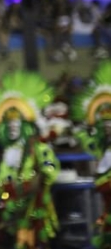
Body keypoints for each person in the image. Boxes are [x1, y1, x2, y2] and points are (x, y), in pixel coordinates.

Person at [0, 71, 60, 249]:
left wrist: (40, 178)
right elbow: (3, 177)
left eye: (17, 123)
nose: (13, 127)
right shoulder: (10, 153)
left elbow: (50, 169)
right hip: (14, 210)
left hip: (35, 209)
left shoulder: (39, 148)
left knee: (36, 241)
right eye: (8, 123)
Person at [72, 60, 111, 248]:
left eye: (110, 122)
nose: (107, 126)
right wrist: (82, 131)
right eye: (104, 123)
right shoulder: (101, 146)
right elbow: (88, 144)